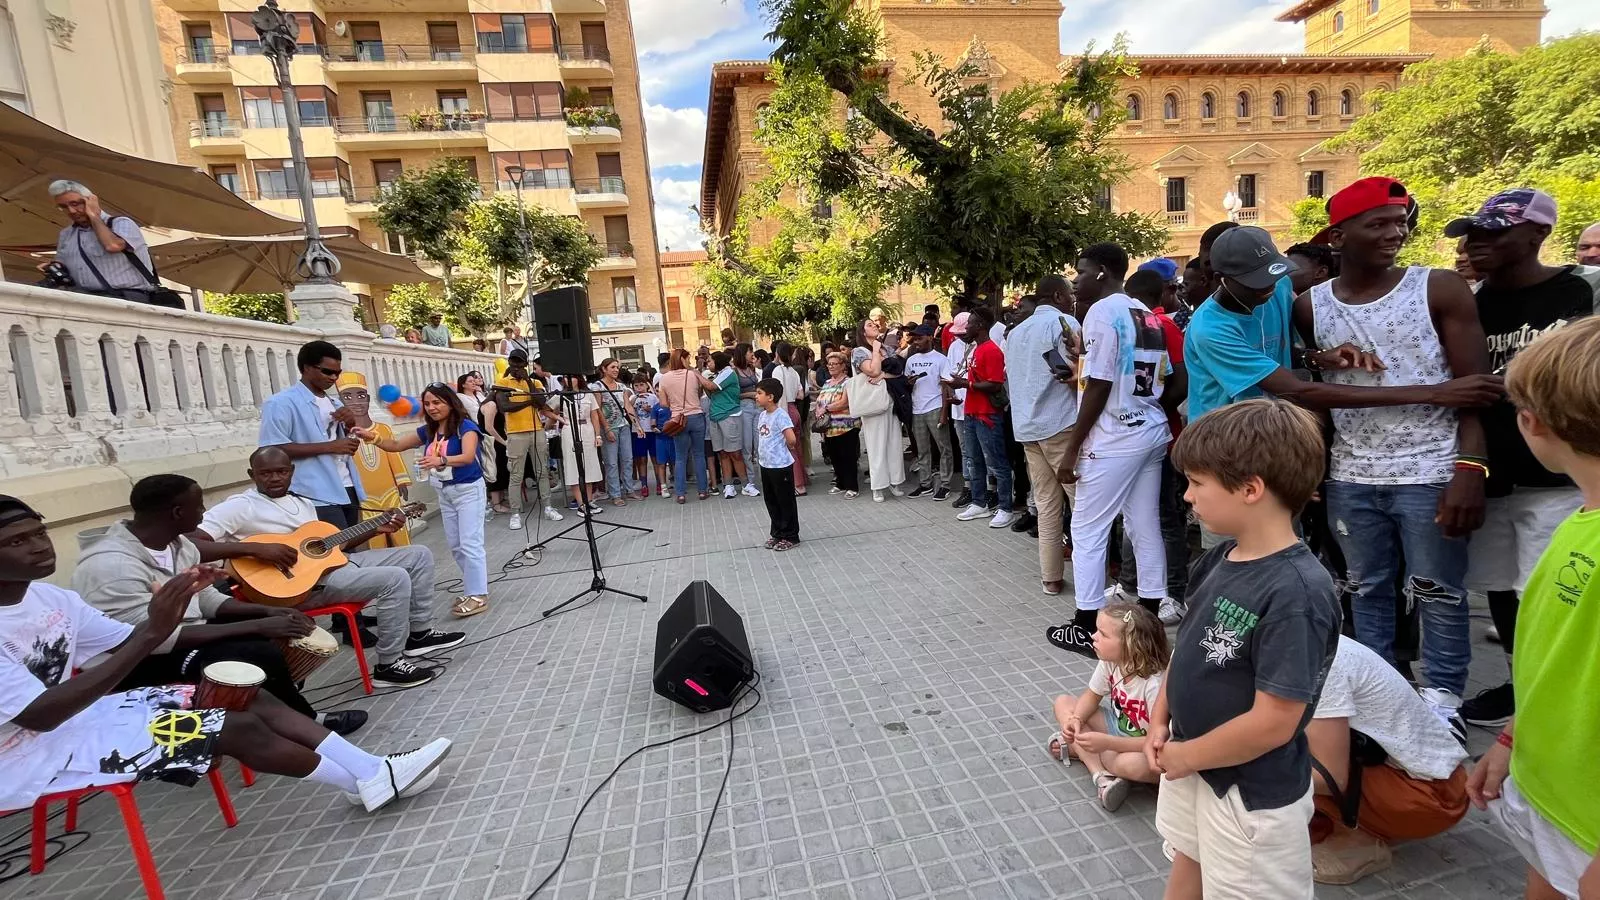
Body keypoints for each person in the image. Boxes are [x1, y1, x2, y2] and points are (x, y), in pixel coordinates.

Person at [0, 496, 452, 816]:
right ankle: (369, 777)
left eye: (39, 532)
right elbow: (39, 716)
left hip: (78, 717)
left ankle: (371, 772)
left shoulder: (50, 598)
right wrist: (154, 632)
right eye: (18, 542)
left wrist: (166, 626)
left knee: (243, 694)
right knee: (235, 725)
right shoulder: (106, 564)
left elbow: (130, 638)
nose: (40, 545)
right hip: (20, 755)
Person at [1303, 177, 1493, 732]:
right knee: (1366, 589)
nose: (1396, 232)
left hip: (1431, 469)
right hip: (1350, 474)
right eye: (1378, 223)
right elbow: (1304, 384)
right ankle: (1381, 688)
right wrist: (1317, 353)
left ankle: (1441, 698)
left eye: (1400, 221)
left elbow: (1474, 392)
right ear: (1339, 235)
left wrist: (1469, 468)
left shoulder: (1437, 288)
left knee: (1438, 589)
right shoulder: (1307, 306)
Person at [1183, 223, 1502, 538]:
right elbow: (1299, 389)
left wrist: (1318, 357)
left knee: (1278, 547)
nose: (1267, 287)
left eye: (1271, 274)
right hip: (1225, 453)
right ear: (1222, 279)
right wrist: (1435, 393)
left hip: (1268, 443)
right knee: (1233, 558)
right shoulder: (1211, 328)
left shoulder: (1277, 288)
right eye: (1255, 282)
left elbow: (1276, 353)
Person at [1148, 399, 1341, 900]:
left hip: (1249, 794)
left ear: (1251, 488)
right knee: (1189, 855)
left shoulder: (1297, 591)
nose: (1187, 496)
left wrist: (1188, 754)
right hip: (1193, 765)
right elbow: (1188, 648)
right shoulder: (1220, 558)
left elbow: (1275, 720)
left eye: (1197, 483)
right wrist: (1160, 717)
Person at [1450, 189, 1598, 729]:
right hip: (1492, 474)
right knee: (1501, 588)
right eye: (1473, 232)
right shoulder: (1469, 301)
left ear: (1537, 234)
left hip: (1560, 477)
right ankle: (1521, 683)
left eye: (1494, 232)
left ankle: (1556, 698)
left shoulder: (1578, 292)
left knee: (1554, 591)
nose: (1476, 243)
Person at [1467, 316, 1600, 900]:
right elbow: (1561, 666)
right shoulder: (1577, 522)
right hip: (1549, 789)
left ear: (1531, 422)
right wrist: (1511, 741)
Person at [72, 476, 361, 734]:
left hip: (177, 636)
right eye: (199, 506)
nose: (203, 513)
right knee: (254, 649)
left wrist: (268, 611)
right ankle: (305, 723)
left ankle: (281, 714)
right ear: (177, 512)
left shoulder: (178, 545)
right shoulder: (111, 565)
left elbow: (205, 600)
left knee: (272, 634)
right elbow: (146, 638)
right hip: (130, 664)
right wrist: (259, 624)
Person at [189, 447, 461, 689]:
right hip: (299, 588)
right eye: (266, 473)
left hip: (330, 569)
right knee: (395, 578)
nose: (274, 478)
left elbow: (327, 549)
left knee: (418, 554)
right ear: (253, 474)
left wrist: (375, 529)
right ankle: (388, 665)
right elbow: (191, 544)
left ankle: (420, 634)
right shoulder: (241, 506)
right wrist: (255, 549)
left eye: (281, 471)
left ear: (291, 471)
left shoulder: (301, 501)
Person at [1049, 244, 1182, 656]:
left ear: (1103, 272)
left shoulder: (1103, 312)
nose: (1076, 279)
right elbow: (1174, 380)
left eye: (1081, 271)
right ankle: (1150, 609)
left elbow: (1102, 384)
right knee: (1144, 524)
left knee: (1087, 529)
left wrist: (1071, 451)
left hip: (1112, 439)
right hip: (1149, 433)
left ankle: (1086, 625)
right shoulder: (1148, 316)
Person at [1305, 636, 1469, 885]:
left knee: (1262, 758)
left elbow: (1331, 776)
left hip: (1426, 794)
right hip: (1391, 773)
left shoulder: (1317, 661)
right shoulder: (1298, 638)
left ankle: (1357, 836)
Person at [355, 385, 488, 619]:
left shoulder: (466, 427)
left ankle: (478, 594)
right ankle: (472, 589)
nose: (432, 408)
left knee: (470, 543)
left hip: (468, 490)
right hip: (445, 491)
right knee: (456, 545)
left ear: (449, 402)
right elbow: (396, 445)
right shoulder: (429, 430)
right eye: (427, 404)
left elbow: (468, 457)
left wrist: (441, 459)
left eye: (437, 402)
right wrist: (373, 437)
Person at [1112, 270, 1191, 614]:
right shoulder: (1134, 326)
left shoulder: (1162, 327)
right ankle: (1133, 584)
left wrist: (1152, 412)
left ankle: (1173, 593)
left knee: (1164, 518)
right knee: (1135, 518)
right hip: (1131, 436)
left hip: (1159, 438)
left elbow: (1180, 380)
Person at [1048, 602, 1168, 812]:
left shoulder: (1153, 683)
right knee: (1064, 703)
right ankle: (1101, 776)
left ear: (1130, 645)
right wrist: (1076, 720)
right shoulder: (1111, 661)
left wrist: (1106, 743)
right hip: (1116, 727)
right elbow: (1091, 696)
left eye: (1103, 634)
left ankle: (1085, 752)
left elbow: (1155, 742)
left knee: (1126, 764)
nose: (1093, 636)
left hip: (1144, 745)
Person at [1005, 274, 1081, 595]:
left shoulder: (1016, 332)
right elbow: (1076, 374)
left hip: (1027, 428)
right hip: (1061, 425)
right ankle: (1092, 578)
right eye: (1070, 293)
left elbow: (1010, 380)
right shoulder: (1064, 323)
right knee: (1082, 505)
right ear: (1058, 296)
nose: (1074, 298)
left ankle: (1051, 578)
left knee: (1047, 505)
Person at [258, 341, 365, 528]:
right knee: (332, 553)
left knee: (352, 551)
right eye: (327, 371)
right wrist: (330, 447)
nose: (333, 378)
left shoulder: (335, 403)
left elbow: (348, 440)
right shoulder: (281, 403)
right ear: (307, 368)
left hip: (347, 485)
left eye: (337, 373)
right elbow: (271, 450)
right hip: (313, 494)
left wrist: (350, 424)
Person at [46, 180, 171, 307]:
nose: (71, 211)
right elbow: (62, 263)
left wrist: (94, 216)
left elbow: (112, 245)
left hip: (127, 299)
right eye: (64, 207)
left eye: (76, 204)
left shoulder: (121, 223)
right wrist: (54, 267)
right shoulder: (66, 234)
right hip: (85, 300)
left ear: (91, 201)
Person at [947, 306, 1016, 528]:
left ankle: (1006, 508)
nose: (966, 327)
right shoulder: (976, 349)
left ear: (981, 326)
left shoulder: (992, 350)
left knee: (997, 462)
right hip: (972, 412)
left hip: (988, 415)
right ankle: (979, 503)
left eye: (970, 323)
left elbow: (995, 384)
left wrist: (964, 384)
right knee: (974, 460)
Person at [336, 372, 412, 549]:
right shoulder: (341, 434)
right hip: (365, 495)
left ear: (368, 399)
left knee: (399, 531)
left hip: (389, 491)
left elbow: (393, 453)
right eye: (347, 397)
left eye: (361, 396)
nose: (356, 402)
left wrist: (401, 481)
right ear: (340, 401)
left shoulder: (382, 429)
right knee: (373, 535)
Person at [493, 350, 561, 530]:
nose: (516, 366)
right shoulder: (503, 382)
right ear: (509, 362)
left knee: (542, 471)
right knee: (516, 474)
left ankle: (547, 506)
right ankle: (515, 513)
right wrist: (528, 402)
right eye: (513, 362)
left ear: (525, 364)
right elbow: (504, 406)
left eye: (520, 363)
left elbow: (541, 403)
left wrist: (528, 382)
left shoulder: (536, 381)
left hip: (537, 430)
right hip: (516, 433)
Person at [904, 324, 959, 502]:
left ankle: (945, 484)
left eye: (919, 338)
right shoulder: (911, 360)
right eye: (914, 338)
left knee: (944, 447)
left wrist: (944, 412)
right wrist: (910, 383)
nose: (916, 342)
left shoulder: (941, 359)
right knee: (922, 449)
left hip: (935, 407)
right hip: (916, 409)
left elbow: (945, 386)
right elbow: (907, 382)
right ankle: (925, 483)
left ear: (929, 337)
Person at [849, 332, 906, 503]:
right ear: (862, 331)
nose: (874, 325)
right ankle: (878, 485)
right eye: (869, 324)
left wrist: (884, 375)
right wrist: (875, 350)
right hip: (872, 403)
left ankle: (895, 481)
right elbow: (873, 371)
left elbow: (897, 371)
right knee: (876, 445)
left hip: (890, 399)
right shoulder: (859, 351)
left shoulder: (886, 349)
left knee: (894, 443)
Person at [658, 349, 720, 502]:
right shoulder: (692, 374)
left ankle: (680, 493)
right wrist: (694, 372)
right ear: (684, 359)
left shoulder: (664, 379)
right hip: (696, 416)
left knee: (680, 457)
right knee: (699, 454)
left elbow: (663, 404)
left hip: (678, 419)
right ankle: (702, 491)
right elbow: (709, 386)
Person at [754, 378, 801, 550]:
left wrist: (787, 448)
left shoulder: (781, 415)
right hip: (766, 464)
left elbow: (791, 438)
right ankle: (777, 532)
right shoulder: (763, 415)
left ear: (771, 397)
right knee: (771, 499)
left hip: (780, 465)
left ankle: (790, 535)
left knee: (785, 500)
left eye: (760, 393)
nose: (756, 396)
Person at [591, 358, 642, 505]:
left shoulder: (621, 387)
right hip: (609, 427)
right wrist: (606, 429)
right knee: (611, 462)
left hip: (624, 426)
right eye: (612, 367)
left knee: (627, 459)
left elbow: (628, 407)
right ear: (604, 369)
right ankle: (615, 494)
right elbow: (598, 409)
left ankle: (629, 490)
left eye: (617, 367)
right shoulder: (597, 387)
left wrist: (636, 424)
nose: (615, 370)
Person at [815, 351, 862, 499]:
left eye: (835, 364)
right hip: (829, 427)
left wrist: (826, 408)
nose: (831, 367)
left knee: (848, 457)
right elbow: (819, 400)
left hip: (846, 426)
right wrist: (818, 410)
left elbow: (844, 402)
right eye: (829, 364)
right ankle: (840, 483)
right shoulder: (827, 383)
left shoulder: (848, 382)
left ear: (843, 366)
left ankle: (852, 486)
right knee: (835, 457)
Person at [942, 313, 975, 509]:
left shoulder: (981, 346)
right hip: (959, 408)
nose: (961, 336)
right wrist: (951, 394)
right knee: (965, 451)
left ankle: (988, 489)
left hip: (978, 407)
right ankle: (968, 487)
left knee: (982, 451)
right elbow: (947, 376)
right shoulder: (954, 346)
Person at [707, 350, 749, 499]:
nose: (707, 363)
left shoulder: (728, 373)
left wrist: (696, 375)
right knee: (722, 453)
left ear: (717, 362)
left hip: (729, 415)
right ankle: (728, 485)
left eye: (710, 361)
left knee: (735, 453)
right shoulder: (718, 375)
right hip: (716, 416)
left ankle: (746, 485)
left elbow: (712, 387)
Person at [774, 343, 808, 495]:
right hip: (795, 409)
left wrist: (780, 416)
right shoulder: (794, 372)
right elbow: (801, 394)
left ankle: (798, 485)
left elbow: (779, 394)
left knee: (789, 449)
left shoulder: (777, 371)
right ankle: (802, 479)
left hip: (784, 409)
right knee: (797, 447)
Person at [733, 344, 763, 497]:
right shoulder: (734, 372)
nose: (752, 353)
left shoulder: (752, 369)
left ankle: (762, 478)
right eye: (749, 351)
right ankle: (749, 481)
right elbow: (735, 394)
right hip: (744, 408)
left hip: (757, 407)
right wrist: (750, 394)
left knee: (759, 444)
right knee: (746, 445)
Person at [631, 375, 658, 497]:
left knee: (655, 458)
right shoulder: (632, 397)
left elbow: (658, 411)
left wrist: (650, 410)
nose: (639, 388)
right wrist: (635, 397)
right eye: (636, 385)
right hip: (637, 431)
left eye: (641, 385)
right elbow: (627, 409)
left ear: (647, 385)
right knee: (641, 459)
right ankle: (644, 484)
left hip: (651, 431)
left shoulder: (653, 397)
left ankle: (659, 482)